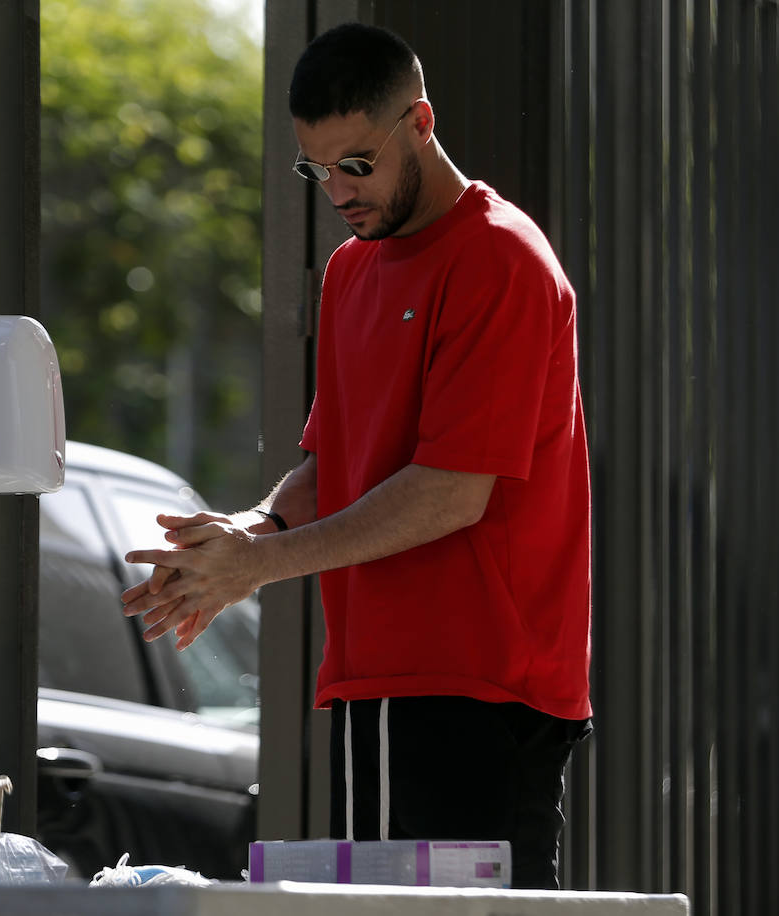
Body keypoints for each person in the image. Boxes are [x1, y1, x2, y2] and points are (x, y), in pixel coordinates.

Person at [121, 22, 592, 889]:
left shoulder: (502, 259)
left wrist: (258, 566)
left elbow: (454, 492)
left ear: (420, 122)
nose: (336, 190)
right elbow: (332, 464)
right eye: (317, 168)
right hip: (378, 680)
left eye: (356, 164)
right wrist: (242, 532)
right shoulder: (351, 271)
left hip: (484, 685)